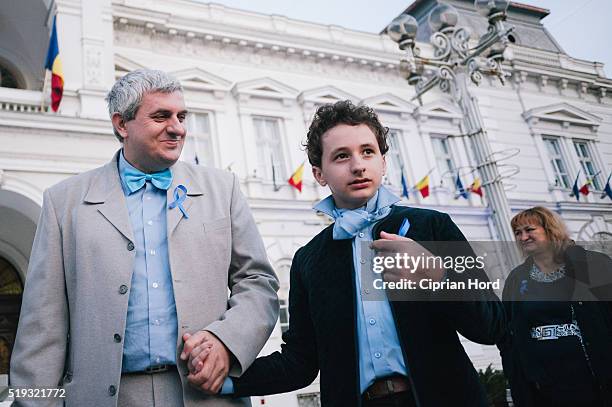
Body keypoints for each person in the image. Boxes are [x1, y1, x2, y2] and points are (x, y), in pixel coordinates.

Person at [184, 100, 506, 406]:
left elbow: (490, 326)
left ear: (383, 161)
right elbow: (300, 362)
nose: (358, 165)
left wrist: (437, 276)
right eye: (341, 156)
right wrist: (225, 374)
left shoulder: (432, 228)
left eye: (368, 152)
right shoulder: (309, 260)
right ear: (319, 173)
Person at [9, 69, 279, 407]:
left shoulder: (223, 190)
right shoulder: (63, 203)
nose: (178, 127)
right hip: (105, 397)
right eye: (161, 116)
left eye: (182, 116)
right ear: (122, 124)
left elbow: (258, 282)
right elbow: (41, 325)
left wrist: (226, 342)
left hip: (205, 396)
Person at [500, 206, 612, 406]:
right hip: (547, 389)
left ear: (550, 230)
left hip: (597, 382)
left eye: (529, 230)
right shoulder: (517, 279)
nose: (523, 237)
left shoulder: (592, 264)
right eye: (518, 233)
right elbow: (509, 335)